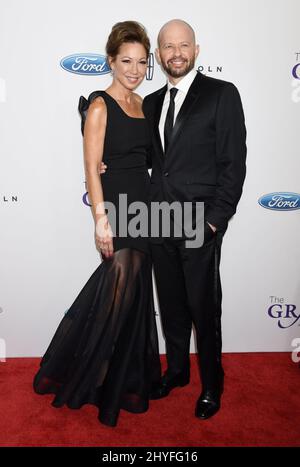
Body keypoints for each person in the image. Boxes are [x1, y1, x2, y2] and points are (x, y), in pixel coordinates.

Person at [33, 21, 161, 427]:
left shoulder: (145, 104)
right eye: (126, 61)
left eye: (142, 62)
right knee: (114, 294)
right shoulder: (100, 104)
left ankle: (119, 375)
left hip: (145, 206)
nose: (134, 69)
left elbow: (150, 159)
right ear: (111, 60)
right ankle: (88, 376)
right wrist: (100, 221)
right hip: (118, 207)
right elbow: (91, 168)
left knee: (132, 295)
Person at [142, 19, 247, 420]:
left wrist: (214, 222)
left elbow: (233, 165)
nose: (176, 53)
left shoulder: (221, 95)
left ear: (197, 50)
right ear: (159, 54)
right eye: (168, 46)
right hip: (159, 221)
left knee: (204, 310)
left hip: (199, 223)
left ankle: (212, 384)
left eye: (183, 44)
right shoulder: (151, 103)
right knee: (170, 305)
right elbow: (153, 163)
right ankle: (179, 372)